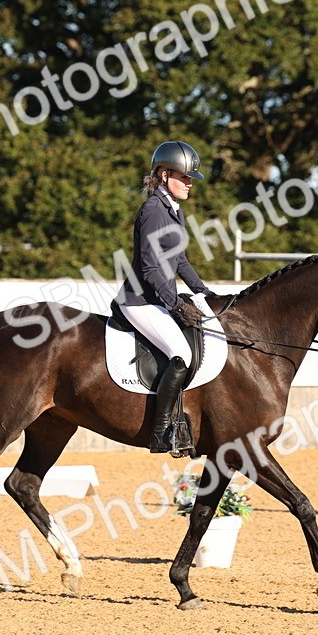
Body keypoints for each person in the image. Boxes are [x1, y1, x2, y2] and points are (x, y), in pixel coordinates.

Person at [115, 141, 212, 454]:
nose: (189, 183)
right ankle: (160, 433)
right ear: (164, 174)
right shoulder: (154, 211)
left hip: (157, 299)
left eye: (190, 178)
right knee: (180, 354)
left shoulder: (174, 211)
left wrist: (203, 292)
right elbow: (150, 268)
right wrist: (176, 304)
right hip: (139, 300)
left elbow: (179, 259)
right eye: (184, 177)